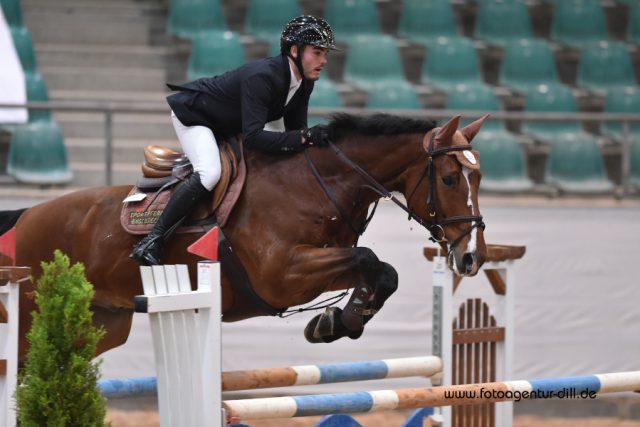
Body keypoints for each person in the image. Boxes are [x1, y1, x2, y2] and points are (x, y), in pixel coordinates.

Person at [131, 15, 336, 266]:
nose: (324, 61)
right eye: (317, 52)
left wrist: (313, 141)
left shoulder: (304, 83)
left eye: (325, 54)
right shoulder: (264, 77)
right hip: (197, 116)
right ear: (294, 50)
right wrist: (305, 137)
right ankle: (153, 240)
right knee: (209, 173)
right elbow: (254, 138)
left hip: (228, 123)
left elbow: (296, 133)